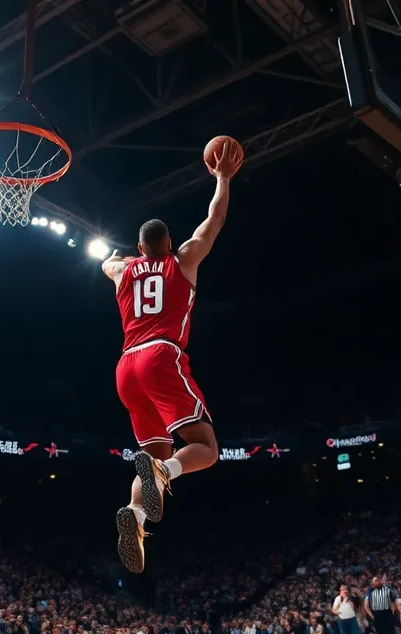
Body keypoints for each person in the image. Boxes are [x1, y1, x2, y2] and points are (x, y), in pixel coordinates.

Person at [100, 140, 244, 573]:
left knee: (155, 455)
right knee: (206, 448)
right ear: (168, 244)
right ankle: (167, 473)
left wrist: (116, 258)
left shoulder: (123, 271)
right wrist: (222, 178)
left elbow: (107, 263)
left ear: (141, 249)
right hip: (162, 357)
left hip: (126, 368)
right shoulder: (182, 260)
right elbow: (214, 220)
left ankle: (136, 515)